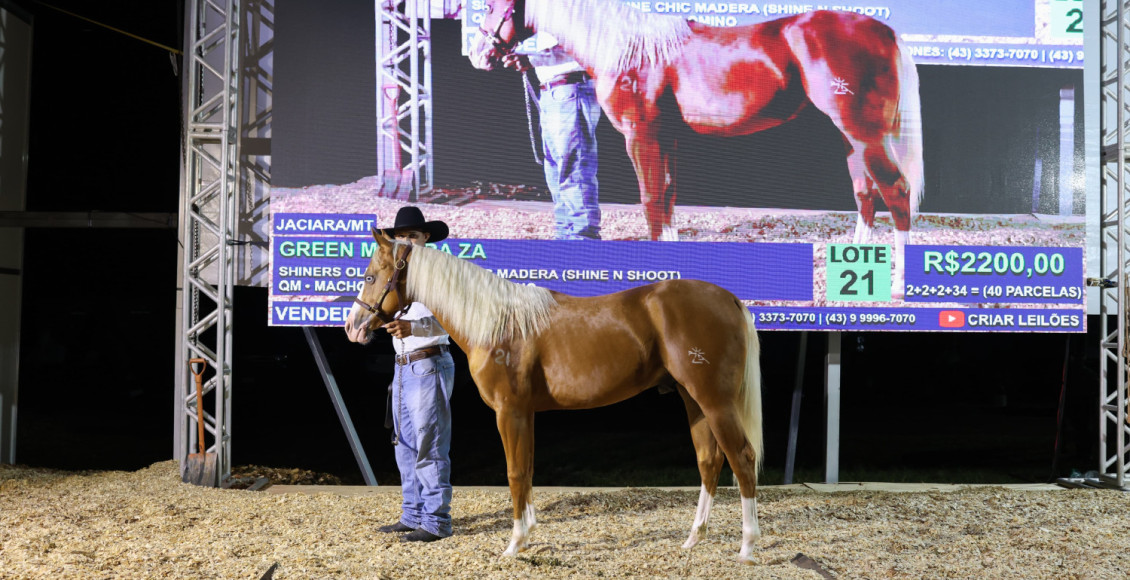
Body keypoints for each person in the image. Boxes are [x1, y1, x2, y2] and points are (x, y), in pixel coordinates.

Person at [373, 206, 457, 542]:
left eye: (413, 235)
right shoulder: (398, 273)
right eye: (400, 236)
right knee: (404, 444)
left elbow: (455, 320)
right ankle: (413, 513)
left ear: (425, 238)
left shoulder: (441, 272)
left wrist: (414, 326)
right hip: (404, 366)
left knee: (429, 443)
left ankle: (437, 521)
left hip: (429, 361)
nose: (406, 240)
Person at [502, 34, 602, 240]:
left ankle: (583, 240)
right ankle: (565, 235)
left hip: (570, 87)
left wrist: (530, 59)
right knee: (555, 169)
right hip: (553, 91)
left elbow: (578, 47)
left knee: (573, 167)